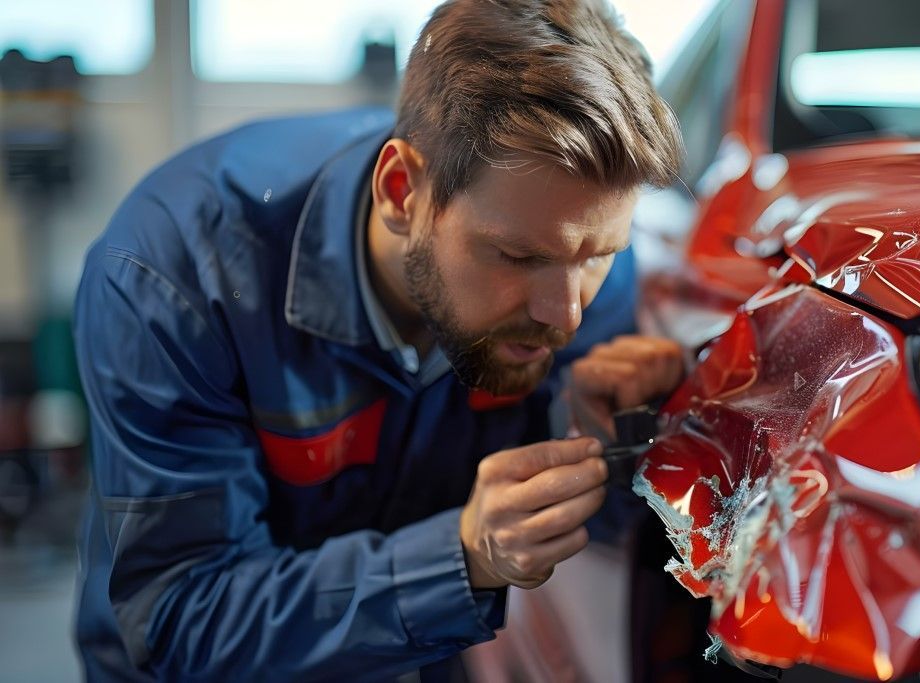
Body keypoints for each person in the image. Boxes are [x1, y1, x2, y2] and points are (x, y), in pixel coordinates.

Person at [71, 0, 686, 679]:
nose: (565, 315)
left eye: (599, 254)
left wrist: (609, 442)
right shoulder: (174, 277)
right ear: (401, 192)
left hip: (424, 650)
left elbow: (596, 533)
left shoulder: (574, 243)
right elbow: (180, 620)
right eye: (517, 257)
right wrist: (460, 559)